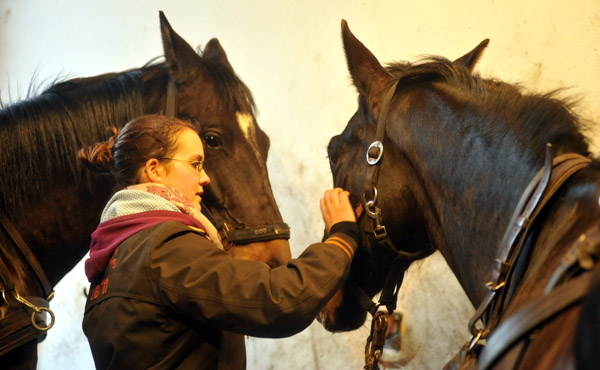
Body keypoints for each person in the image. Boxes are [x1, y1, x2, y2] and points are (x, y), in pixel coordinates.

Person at [77, 115, 358, 369]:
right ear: (155, 170)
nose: (205, 178)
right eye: (195, 164)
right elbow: (280, 299)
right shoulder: (166, 246)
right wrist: (341, 238)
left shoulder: (110, 261)